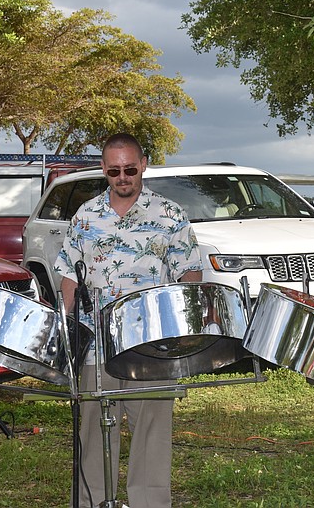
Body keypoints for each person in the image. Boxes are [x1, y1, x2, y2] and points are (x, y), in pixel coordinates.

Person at [56, 133, 203, 508]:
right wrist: (64, 329)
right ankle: (91, 502)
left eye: (130, 169)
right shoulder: (85, 216)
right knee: (92, 435)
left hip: (151, 346)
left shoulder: (170, 215)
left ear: (144, 165)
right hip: (96, 345)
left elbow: (189, 274)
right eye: (114, 170)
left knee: (152, 437)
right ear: (104, 169)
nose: (123, 177)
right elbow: (69, 277)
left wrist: (184, 330)